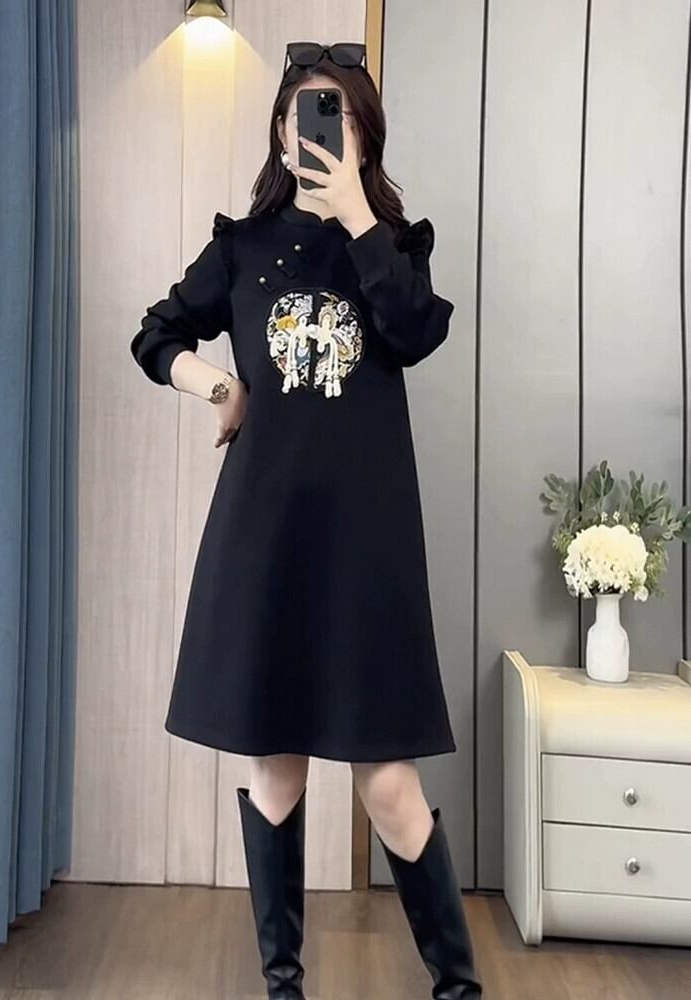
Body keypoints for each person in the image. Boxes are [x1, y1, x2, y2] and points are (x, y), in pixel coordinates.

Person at [130, 39, 483, 1000]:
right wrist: (218, 387)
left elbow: (412, 330)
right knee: (276, 772)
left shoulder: (394, 247)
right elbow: (157, 332)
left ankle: (460, 990)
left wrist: (360, 214)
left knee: (389, 785)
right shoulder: (242, 248)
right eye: (303, 114)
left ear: (364, 135)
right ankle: (282, 988)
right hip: (267, 537)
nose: (319, 131)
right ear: (280, 133)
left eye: (340, 116)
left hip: (368, 546)